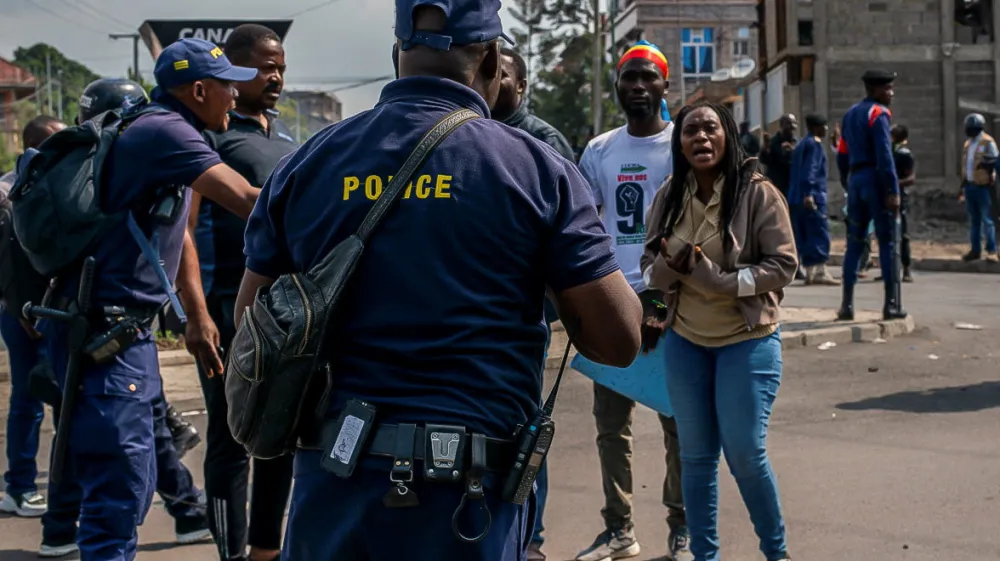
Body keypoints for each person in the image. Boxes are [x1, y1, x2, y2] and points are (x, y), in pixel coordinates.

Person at [238, 1, 643, 558]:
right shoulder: (537, 170)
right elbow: (618, 340)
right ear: (495, 61)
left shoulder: (307, 164)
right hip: (468, 504)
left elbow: (251, 325)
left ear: (396, 54)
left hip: (333, 485)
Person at [36, 38, 261, 561]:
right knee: (116, 500)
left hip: (120, 335)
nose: (235, 94)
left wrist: (195, 315)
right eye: (228, 84)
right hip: (108, 340)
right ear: (199, 89)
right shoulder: (165, 131)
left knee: (130, 478)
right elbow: (248, 201)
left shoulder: (156, 128)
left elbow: (178, 229)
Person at [642, 100, 796, 561]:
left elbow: (784, 264)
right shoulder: (670, 193)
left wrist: (726, 283)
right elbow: (648, 267)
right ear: (680, 142)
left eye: (710, 129)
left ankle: (776, 553)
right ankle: (705, 556)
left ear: (727, 135)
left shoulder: (757, 192)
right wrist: (667, 275)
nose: (701, 139)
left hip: (746, 341)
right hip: (686, 341)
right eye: (691, 131)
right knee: (695, 457)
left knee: (746, 453)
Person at [175, 24, 297, 561]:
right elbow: (183, 230)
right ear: (234, 70)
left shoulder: (285, 140)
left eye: (281, 68)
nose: (275, 77)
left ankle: (265, 550)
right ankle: (231, 552)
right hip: (228, 309)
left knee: (279, 432)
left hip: (285, 313)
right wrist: (197, 314)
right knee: (230, 440)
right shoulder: (208, 139)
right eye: (264, 67)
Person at [574, 40, 691, 561]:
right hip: (613, 300)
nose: (639, 87)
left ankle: (682, 529)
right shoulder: (600, 151)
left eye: (649, 77)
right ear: (617, 86)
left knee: (678, 424)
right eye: (629, 78)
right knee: (609, 426)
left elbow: (694, 231)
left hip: (671, 301)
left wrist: (660, 304)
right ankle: (619, 529)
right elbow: (583, 230)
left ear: (665, 85)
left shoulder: (681, 148)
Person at [490, 45, 575, 561]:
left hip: (524, 315)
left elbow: (573, 240)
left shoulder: (542, 142)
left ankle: (531, 538)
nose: (488, 77)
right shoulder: (467, 132)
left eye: (499, 72)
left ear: (521, 86)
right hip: (481, 315)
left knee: (523, 432)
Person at [0, 115, 65, 520]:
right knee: (28, 398)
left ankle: (63, 484)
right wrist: (23, 306)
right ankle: (20, 487)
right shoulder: (7, 191)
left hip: (57, 310)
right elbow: (4, 260)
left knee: (64, 397)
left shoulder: (62, 183)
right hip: (22, 313)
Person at [837, 69, 907, 321]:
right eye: (887, 88)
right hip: (875, 180)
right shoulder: (879, 114)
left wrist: (847, 182)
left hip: (856, 181)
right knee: (887, 241)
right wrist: (892, 190)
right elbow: (884, 155)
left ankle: (846, 306)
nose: (891, 93)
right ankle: (890, 305)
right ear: (873, 90)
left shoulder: (849, 115)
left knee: (854, 244)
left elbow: (842, 153)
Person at [788, 114, 839, 285]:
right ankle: (820, 271)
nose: (826, 129)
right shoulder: (815, 145)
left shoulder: (801, 144)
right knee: (819, 232)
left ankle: (809, 271)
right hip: (812, 197)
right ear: (816, 127)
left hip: (795, 197)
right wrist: (809, 193)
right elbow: (811, 170)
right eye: (824, 126)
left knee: (804, 234)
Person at [957, 113, 999, 262]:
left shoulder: (988, 142)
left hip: (983, 187)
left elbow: (995, 160)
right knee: (974, 221)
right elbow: (965, 166)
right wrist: (962, 187)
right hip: (970, 186)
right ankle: (975, 250)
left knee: (988, 220)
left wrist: (991, 170)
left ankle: (992, 251)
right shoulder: (968, 144)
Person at [891, 124, 915, 281]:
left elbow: (911, 179)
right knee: (886, 235)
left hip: (899, 197)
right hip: (885, 196)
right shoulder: (887, 151)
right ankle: (890, 269)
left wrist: (894, 183)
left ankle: (906, 269)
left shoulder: (904, 154)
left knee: (903, 235)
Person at [761, 114, 797, 198]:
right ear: (781, 125)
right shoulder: (773, 142)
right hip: (777, 185)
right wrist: (766, 149)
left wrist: (793, 151)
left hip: (792, 185)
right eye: (788, 123)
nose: (792, 126)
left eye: (794, 123)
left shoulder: (797, 143)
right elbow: (765, 160)